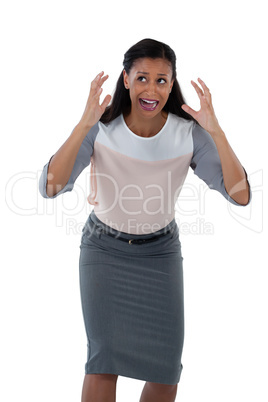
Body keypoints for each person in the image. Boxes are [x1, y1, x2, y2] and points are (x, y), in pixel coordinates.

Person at [39, 38, 251, 402]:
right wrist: (82, 124)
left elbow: (240, 194)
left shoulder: (189, 134)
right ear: (126, 80)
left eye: (161, 80)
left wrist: (217, 133)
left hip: (160, 255)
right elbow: (51, 187)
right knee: (103, 364)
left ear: (172, 84)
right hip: (104, 252)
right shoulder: (101, 127)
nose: (151, 89)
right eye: (142, 78)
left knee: (166, 372)